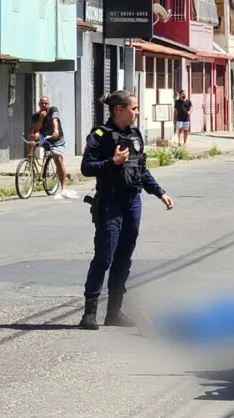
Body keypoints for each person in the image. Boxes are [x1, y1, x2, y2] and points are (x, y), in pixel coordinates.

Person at [78, 90, 175, 331]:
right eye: (134, 108)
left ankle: (114, 313)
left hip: (133, 202)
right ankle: (88, 314)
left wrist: (159, 192)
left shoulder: (134, 134)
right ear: (119, 110)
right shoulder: (100, 135)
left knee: (124, 258)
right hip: (110, 202)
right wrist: (113, 162)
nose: (137, 112)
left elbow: (141, 169)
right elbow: (87, 168)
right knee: (104, 256)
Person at [29, 96, 77, 200]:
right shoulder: (36, 116)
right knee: (33, 136)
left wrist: (55, 131)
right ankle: (29, 160)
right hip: (45, 136)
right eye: (42, 103)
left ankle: (63, 188)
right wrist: (41, 118)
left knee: (58, 160)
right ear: (39, 104)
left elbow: (55, 120)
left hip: (56, 138)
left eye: (46, 103)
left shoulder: (53, 110)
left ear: (49, 104)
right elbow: (36, 129)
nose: (44, 105)